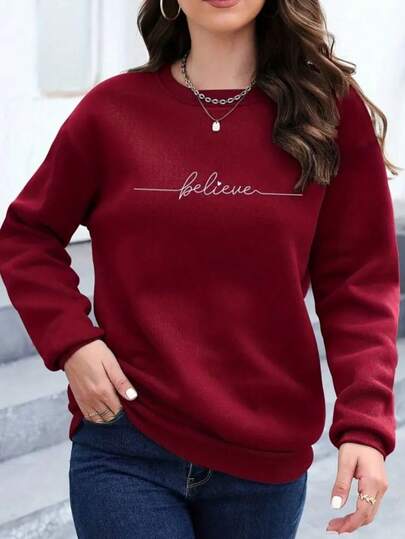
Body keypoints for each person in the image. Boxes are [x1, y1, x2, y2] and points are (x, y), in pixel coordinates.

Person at [0, 0, 401, 537]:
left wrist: (365, 424)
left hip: (264, 459)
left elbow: (359, 281)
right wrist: (72, 342)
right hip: (128, 443)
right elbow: (28, 235)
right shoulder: (112, 112)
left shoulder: (326, 112)